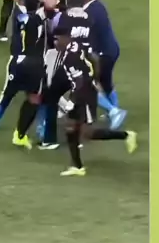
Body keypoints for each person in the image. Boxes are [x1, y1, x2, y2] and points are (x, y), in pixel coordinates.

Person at [53, 27, 137, 177]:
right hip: (81, 92)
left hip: (84, 95)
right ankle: (77, 167)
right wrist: (95, 77)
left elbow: (81, 82)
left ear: (66, 37)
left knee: (87, 132)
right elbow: (94, 58)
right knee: (70, 127)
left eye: (57, 39)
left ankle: (126, 135)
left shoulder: (70, 57)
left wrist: (73, 101)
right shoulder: (76, 45)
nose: (55, 42)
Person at [0, 0, 47, 148]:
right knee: (35, 96)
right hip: (35, 63)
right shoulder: (42, 19)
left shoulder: (21, 17)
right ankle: (39, 126)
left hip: (20, 62)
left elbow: (23, 17)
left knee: (11, 94)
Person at [69, 0, 127, 129]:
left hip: (103, 54)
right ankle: (115, 111)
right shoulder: (98, 5)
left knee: (87, 86)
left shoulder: (89, 12)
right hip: (112, 50)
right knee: (106, 83)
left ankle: (114, 111)